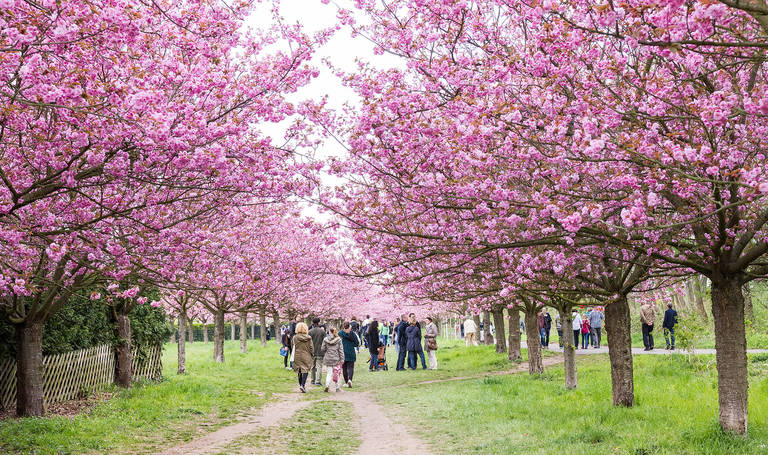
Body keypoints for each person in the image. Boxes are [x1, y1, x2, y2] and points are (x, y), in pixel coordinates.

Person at [320, 327, 344, 392]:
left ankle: (327, 385)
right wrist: (342, 359)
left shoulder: (325, 339)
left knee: (329, 373)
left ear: (329, 332)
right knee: (337, 373)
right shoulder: (339, 340)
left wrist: (326, 350)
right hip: (336, 358)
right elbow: (341, 350)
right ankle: (337, 388)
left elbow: (322, 349)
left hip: (328, 358)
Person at [292, 322, 313, 393]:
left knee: (299, 370)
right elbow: (311, 348)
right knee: (306, 369)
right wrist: (312, 354)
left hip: (297, 355)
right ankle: (303, 385)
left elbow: (293, 346)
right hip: (306, 355)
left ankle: (300, 384)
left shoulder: (295, 337)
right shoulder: (309, 338)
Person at [339, 322, 359, 387]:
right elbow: (356, 343)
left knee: (344, 368)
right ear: (349, 327)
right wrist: (351, 345)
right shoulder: (352, 334)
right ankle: (350, 380)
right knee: (351, 367)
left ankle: (346, 382)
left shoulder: (340, 333)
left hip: (342, 352)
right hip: (351, 352)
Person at [308, 318, 326, 386]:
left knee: (312, 366)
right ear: (318, 323)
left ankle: (312, 380)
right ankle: (318, 381)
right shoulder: (322, 331)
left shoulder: (310, 331)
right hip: (320, 351)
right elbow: (325, 341)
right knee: (319, 366)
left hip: (312, 351)